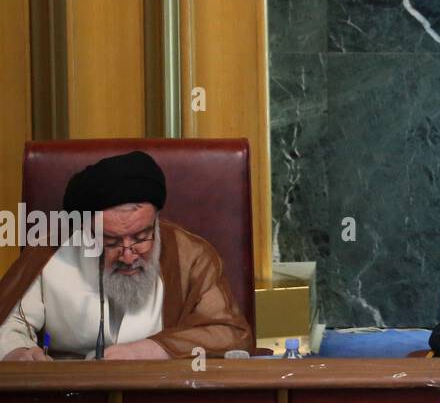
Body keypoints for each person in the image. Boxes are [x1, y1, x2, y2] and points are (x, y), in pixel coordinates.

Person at [0, 150, 253, 360]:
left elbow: (231, 335)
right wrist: (18, 352)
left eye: (142, 236)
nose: (129, 255)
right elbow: (8, 323)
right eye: (110, 241)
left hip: (160, 393)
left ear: (155, 222)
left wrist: (149, 350)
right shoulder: (49, 252)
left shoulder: (191, 256)